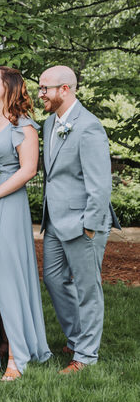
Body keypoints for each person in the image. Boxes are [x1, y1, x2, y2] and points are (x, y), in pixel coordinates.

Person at [0, 66, 51, 381]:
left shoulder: (23, 126)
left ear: (9, 86)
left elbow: (27, 170)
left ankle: (17, 355)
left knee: (7, 279)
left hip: (6, 204)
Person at [39, 65, 120, 374]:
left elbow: (100, 183)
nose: (41, 94)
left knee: (87, 288)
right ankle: (76, 337)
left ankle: (85, 356)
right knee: (54, 279)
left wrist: (90, 225)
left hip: (83, 223)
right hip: (55, 222)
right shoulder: (49, 124)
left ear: (65, 89)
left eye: (46, 88)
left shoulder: (89, 126)